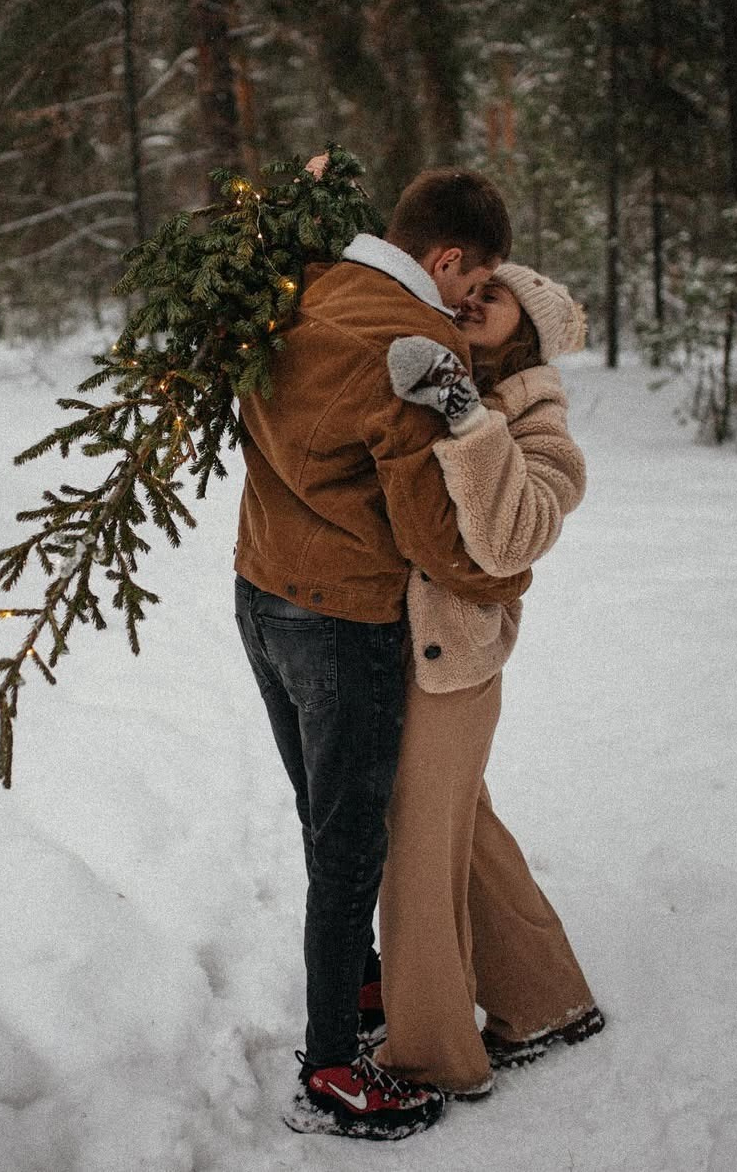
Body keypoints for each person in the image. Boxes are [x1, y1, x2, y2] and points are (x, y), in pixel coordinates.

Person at [232, 167, 530, 1140]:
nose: (468, 301)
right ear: (444, 258)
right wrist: (499, 582)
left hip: (259, 592)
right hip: (343, 617)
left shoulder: (306, 285)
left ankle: (357, 979)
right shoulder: (416, 336)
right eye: (470, 280)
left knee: (327, 822)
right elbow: (427, 521)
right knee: (350, 845)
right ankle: (329, 1070)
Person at [370, 263, 605, 1099]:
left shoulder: (544, 429)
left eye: (492, 297)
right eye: (469, 287)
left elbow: (508, 539)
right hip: (402, 647)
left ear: (528, 334)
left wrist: (467, 418)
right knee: (460, 827)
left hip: (454, 668)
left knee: (418, 854)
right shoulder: (435, 376)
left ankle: (433, 1056)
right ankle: (546, 998)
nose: (471, 298)